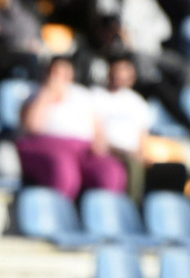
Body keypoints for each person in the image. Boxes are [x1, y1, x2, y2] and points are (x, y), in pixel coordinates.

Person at [15, 56, 127, 202]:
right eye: (55, 72)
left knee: (111, 172)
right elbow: (33, 126)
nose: (60, 77)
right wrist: (47, 94)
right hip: (47, 145)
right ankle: (58, 213)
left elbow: (98, 129)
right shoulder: (34, 92)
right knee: (63, 170)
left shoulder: (83, 95)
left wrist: (100, 143)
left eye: (64, 73)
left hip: (83, 148)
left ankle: (102, 218)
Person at [92, 0, 188, 109]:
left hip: (154, 52)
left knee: (188, 69)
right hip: (128, 55)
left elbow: (165, 29)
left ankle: (185, 108)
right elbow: (114, 28)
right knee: (151, 76)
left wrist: (138, 32)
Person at [92, 56, 153, 199]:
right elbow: (96, 129)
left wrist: (142, 153)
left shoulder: (138, 102)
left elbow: (143, 135)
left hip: (131, 152)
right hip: (108, 150)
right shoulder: (96, 95)